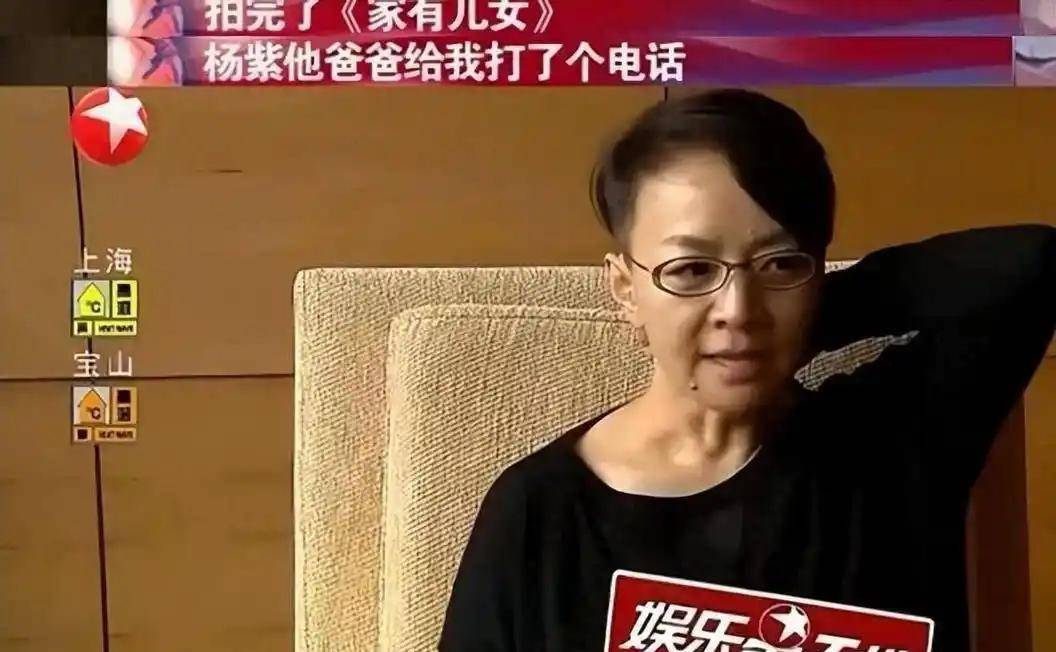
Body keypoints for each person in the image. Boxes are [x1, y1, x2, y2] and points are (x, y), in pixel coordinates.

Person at [438, 88, 1056, 652]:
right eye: (691, 270)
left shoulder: (892, 443)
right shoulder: (540, 511)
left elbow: (1033, 263)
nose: (738, 310)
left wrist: (808, 318)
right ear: (626, 289)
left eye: (780, 263)